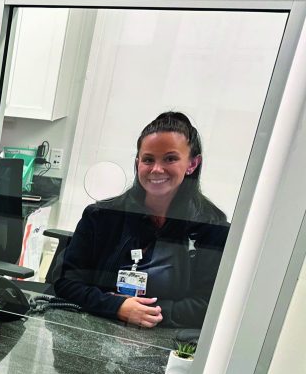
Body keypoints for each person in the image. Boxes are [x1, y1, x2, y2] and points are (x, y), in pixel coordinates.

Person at [54, 111, 229, 329]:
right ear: (138, 163)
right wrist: (117, 306)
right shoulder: (101, 216)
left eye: (170, 158)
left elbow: (208, 305)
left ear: (192, 164)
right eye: (148, 159)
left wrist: (145, 313)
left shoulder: (212, 226)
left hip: (166, 344)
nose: (156, 169)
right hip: (97, 328)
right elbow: (65, 282)